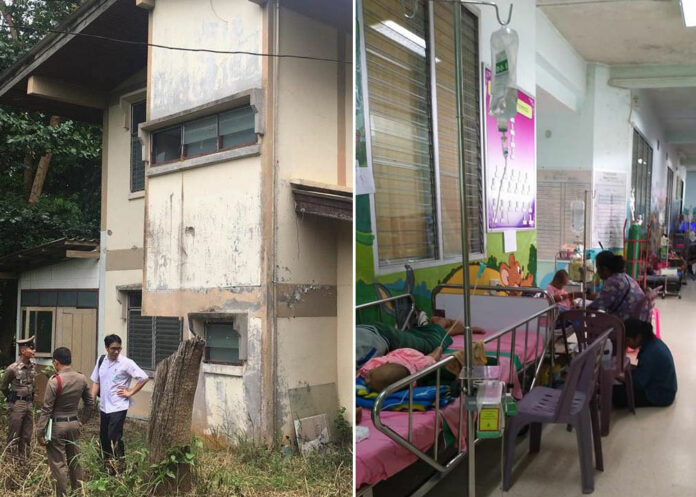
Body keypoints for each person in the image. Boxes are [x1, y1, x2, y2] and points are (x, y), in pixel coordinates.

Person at [36, 347, 94, 497]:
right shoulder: (81, 378)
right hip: (74, 424)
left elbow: (46, 409)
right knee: (75, 460)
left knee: (58, 464)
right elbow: (90, 403)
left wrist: (39, 431)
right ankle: (78, 493)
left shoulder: (55, 381)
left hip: (57, 426)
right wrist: (82, 420)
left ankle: (61, 494)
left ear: (56, 362)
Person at [90, 334, 148, 470]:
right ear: (106, 348)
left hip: (118, 406)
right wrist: (91, 400)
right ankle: (106, 465)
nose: (116, 351)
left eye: (119, 349)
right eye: (113, 349)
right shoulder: (101, 360)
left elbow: (143, 377)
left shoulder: (126, 363)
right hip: (104, 406)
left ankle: (119, 465)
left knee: (114, 436)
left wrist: (130, 392)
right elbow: (96, 382)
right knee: (104, 437)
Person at [613, 318, 677, 407]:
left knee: (615, 394)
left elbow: (638, 384)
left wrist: (621, 376)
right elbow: (644, 370)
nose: (627, 344)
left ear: (638, 337)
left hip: (661, 395)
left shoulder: (651, 353)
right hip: (662, 386)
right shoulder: (652, 342)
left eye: (628, 340)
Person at [0, 336, 37, 459]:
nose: (34, 351)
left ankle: (23, 458)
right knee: (14, 433)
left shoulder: (33, 366)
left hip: (29, 404)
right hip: (17, 404)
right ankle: (11, 459)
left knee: (27, 434)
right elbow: (4, 386)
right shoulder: (12, 369)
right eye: (31, 348)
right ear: (22, 351)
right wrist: (12, 399)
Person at [587, 251, 647, 321]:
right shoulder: (623, 276)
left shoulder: (612, 282)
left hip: (628, 323)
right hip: (640, 319)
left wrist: (579, 310)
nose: (597, 272)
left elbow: (595, 307)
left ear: (604, 269)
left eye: (597, 268)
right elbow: (605, 297)